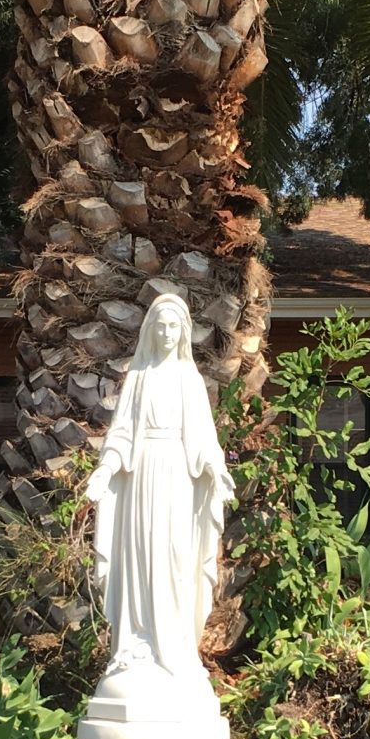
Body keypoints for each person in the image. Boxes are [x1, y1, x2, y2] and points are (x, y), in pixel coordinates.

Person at [87, 290, 233, 692]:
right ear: (151, 330)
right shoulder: (138, 378)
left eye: (175, 327)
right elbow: (120, 436)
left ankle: (177, 649)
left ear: (184, 332)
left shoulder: (190, 380)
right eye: (161, 326)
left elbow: (203, 439)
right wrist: (105, 471)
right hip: (141, 477)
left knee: (173, 559)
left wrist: (215, 470)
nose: (167, 334)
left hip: (178, 481)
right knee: (139, 557)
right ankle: (136, 645)